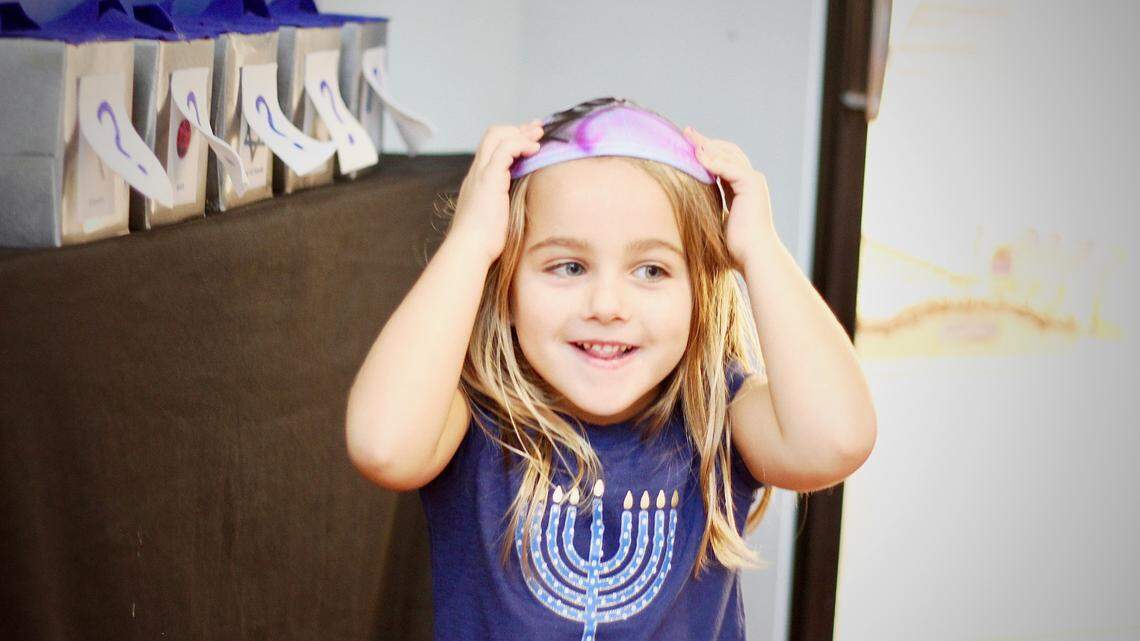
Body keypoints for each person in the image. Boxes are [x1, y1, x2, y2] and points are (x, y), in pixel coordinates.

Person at [345, 97, 876, 641]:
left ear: (702, 292)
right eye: (568, 266)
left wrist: (760, 250)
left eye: (651, 270)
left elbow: (835, 440)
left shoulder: (719, 415)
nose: (606, 304)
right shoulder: (472, 420)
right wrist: (470, 242)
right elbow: (383, 446)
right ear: (504, 287)